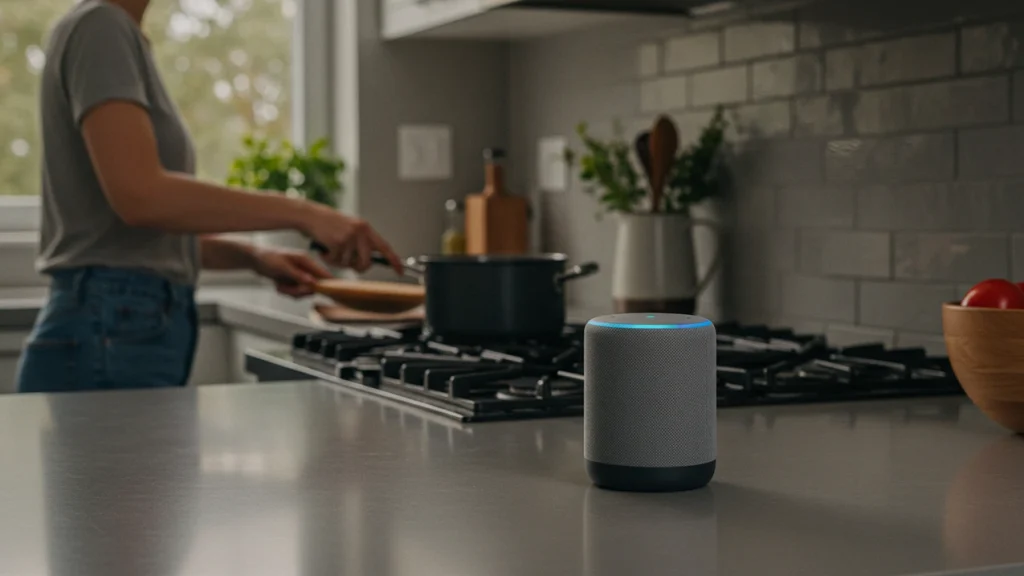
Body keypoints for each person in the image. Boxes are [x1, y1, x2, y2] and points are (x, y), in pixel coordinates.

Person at [15, 0, 402, 393]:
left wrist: (254, 258)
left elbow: (130, 240)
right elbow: (141, 197)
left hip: (118, 325)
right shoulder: (101, 27)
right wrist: (305, 214)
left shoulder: (113, 32)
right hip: (111, 327)